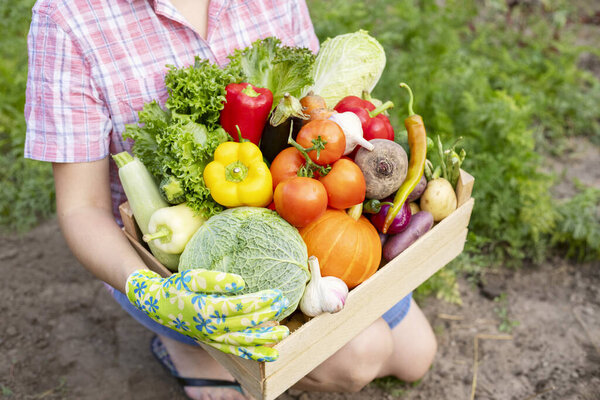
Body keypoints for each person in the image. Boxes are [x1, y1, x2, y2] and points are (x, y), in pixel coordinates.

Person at [24, 0, 438, 399]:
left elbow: (313, 106)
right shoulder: (66, 17)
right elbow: (82, 209)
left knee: (417, 357)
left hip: (295, 215)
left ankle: (237, 356)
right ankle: (188, 345)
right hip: (173, 263)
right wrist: (151, 290)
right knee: (358, 357)